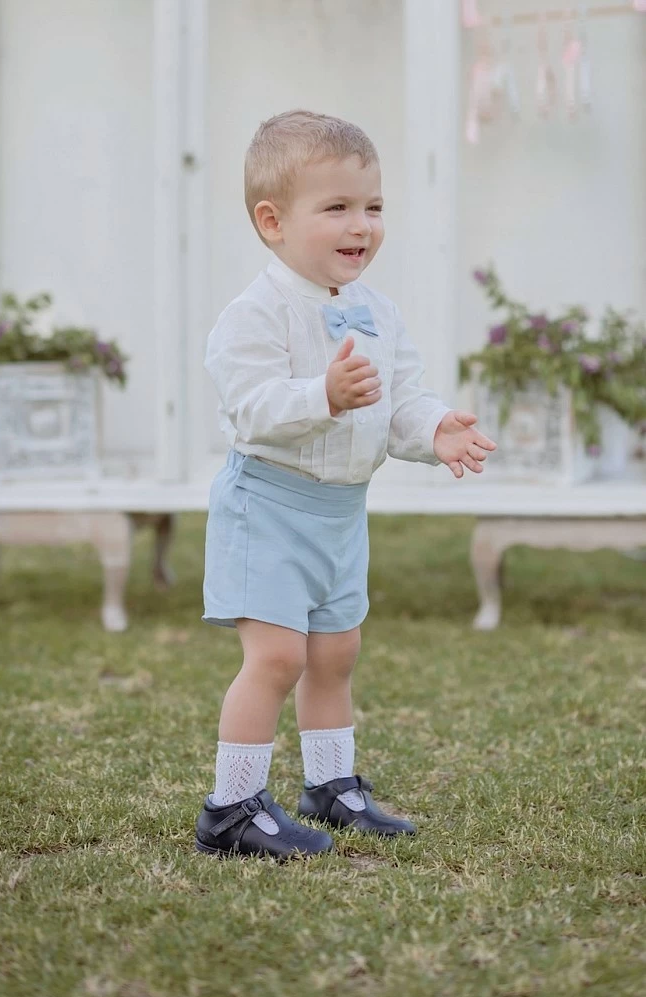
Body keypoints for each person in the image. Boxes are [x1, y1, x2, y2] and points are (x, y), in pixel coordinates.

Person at [195, 110, 496, 859]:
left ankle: (331, 786)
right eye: (336, 208)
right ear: (272, 221)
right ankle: (230, 809)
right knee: (276, 658)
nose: (361, 224)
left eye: (373, 206)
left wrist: (433, 431)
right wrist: (321, 396)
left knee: (335, 653)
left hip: (340, 513)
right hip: (268, 505)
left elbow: (398, 400)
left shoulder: (376, 313)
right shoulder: (253, 315)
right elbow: (249, 408)